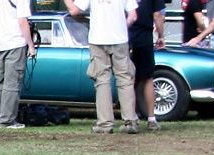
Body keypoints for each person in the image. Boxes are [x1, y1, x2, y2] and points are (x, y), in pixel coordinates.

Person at [66, 0, 138, 135]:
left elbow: (74, 11)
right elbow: (133, 15)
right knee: (125, 79)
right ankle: (130, 121)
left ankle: (105, 123)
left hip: (98, 39)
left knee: (102, 81)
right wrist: (122, 27)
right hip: (120, 40)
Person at [0, 0, 34, 129]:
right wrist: (30, 45)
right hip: (15, 43)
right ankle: (7, 120)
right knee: (12, 83)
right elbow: (22, 21)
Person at [127, 0, 166, 129]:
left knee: (129, 79)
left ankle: (131, 118)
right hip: (145, 37)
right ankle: (151, 119)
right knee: (148, 78)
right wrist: (161, 35)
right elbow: (157, 15)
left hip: (126, 35)